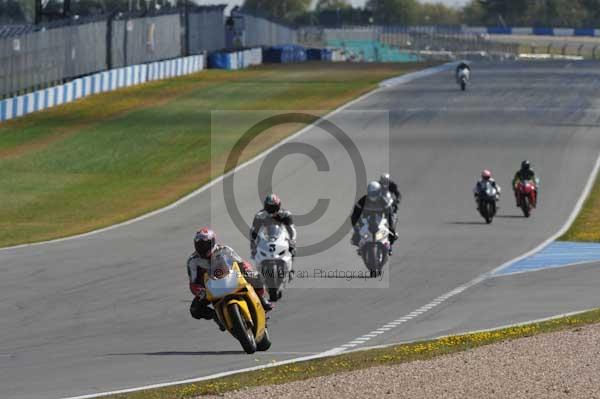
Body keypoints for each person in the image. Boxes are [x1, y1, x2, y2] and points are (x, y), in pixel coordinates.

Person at [188, 228, 272, 329]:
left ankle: (261, 300)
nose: (203, 247)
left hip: (230, 278)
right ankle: (216, 316)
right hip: (209, 289)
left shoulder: (224, 250)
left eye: (205, 244)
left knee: (257, 277)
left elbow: (241, 263)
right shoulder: (193, 261)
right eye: (200, 245)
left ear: (213, 241)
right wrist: (200, 292)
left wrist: (248, 271)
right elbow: (193, 283)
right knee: (194, 310)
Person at [351, 181, 397, 255]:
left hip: (381, 220)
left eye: (374, 193)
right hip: (366, 220)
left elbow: (389, 214)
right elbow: (355, 214)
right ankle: (361, 246)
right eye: (371, 193)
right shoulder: (363, 200)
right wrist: (356, 226)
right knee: (355, 237)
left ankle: (389, 246)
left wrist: (391, 227)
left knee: (392, 234)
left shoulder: (384, 200)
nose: (373, 196)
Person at [250, 194, 297, 259]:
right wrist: (253, 247)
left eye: (274, 208)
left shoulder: (285, 214)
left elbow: (291, 229)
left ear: (278, 206)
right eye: (269, 208)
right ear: (265, 207)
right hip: (265, 239)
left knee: (291, 252)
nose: (272, 211)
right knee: (255, 252)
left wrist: (292, 243)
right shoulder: (260, 216)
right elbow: (253, 232)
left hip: (281, 239)